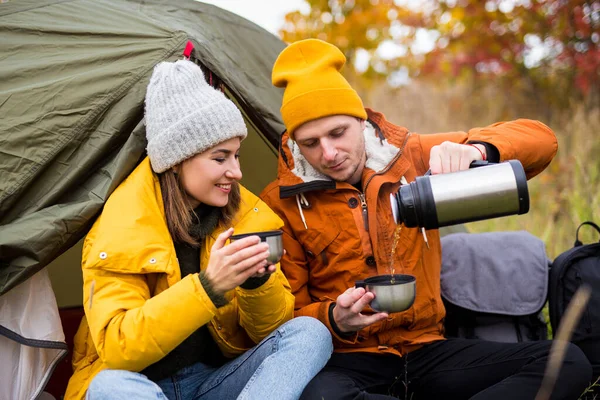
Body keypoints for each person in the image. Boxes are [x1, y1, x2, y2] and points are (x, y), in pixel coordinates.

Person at [260, 38, 592, 400]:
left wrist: (477, 150)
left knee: (567, 362)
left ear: (361, 120)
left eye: (338, 133)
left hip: (427, 350)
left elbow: (542, 141)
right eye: (310, 143)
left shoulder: (413, 156)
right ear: (294, 143)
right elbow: (283, 316)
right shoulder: (281, 203)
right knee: (317, 396)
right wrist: (333, 319)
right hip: (346, 361)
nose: (328, 153)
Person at [64, 59, 332, 400]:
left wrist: (257, 282)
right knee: (109, 387)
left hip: (213, 383)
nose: (235, 172)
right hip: (140, 387)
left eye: (236, 156)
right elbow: (119, 347)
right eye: (220, 159)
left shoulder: (246, 217)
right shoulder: (122, 225)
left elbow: (271, 333)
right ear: (177, 161)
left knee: (310, 333)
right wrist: (208, 288)